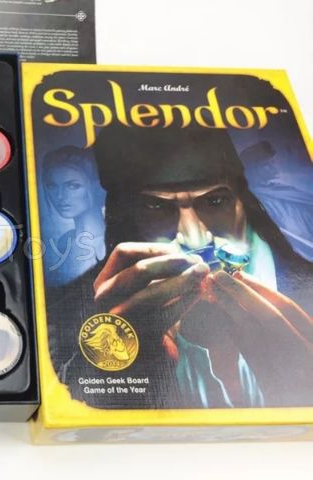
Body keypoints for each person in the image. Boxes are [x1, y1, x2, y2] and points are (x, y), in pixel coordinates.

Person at [48, 125, 313, 408]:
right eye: (156, 207)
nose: (195, 239)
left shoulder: (304, 284)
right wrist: (113, 368)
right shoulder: (68, 314)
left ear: (244, 202)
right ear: (125, 215)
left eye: (214, 201)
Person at [42, 146, 105, 285]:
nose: (60, 196)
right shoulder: (66, 240)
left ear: (95, 186)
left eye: (72, 186)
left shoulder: (106, 241)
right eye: (52, 186)